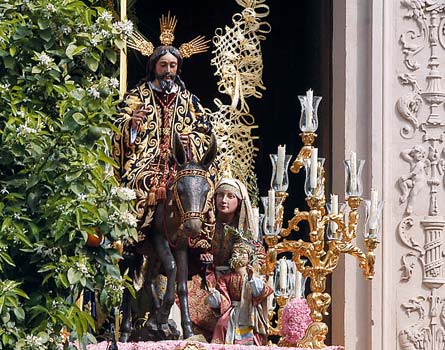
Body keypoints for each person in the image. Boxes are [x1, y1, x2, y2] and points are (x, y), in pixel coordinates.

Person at [112, 44, 213, 238]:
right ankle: (132, 238)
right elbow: (118, 124)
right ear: (154, 67)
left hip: (180, 164)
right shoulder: (138, 96)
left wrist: (191, 140)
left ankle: (197, 237)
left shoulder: (188, 100)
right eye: (163, 65)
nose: (168, 71)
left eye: (173, 66)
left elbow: (206, 131)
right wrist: (132, 126)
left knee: (198, 185)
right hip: (146, 161)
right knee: (137, 185)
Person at [206, 241, 273, 345]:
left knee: (252, 332)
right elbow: (224, 299)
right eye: (235, 253)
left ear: (249, 258)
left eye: (242, 253)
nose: (237, 255)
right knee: (222, 325)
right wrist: (213, 294)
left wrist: (251, 279)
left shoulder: (255, 277)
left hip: (250, 311)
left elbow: (260, 293)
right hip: (233, 312)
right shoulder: (226, 278)